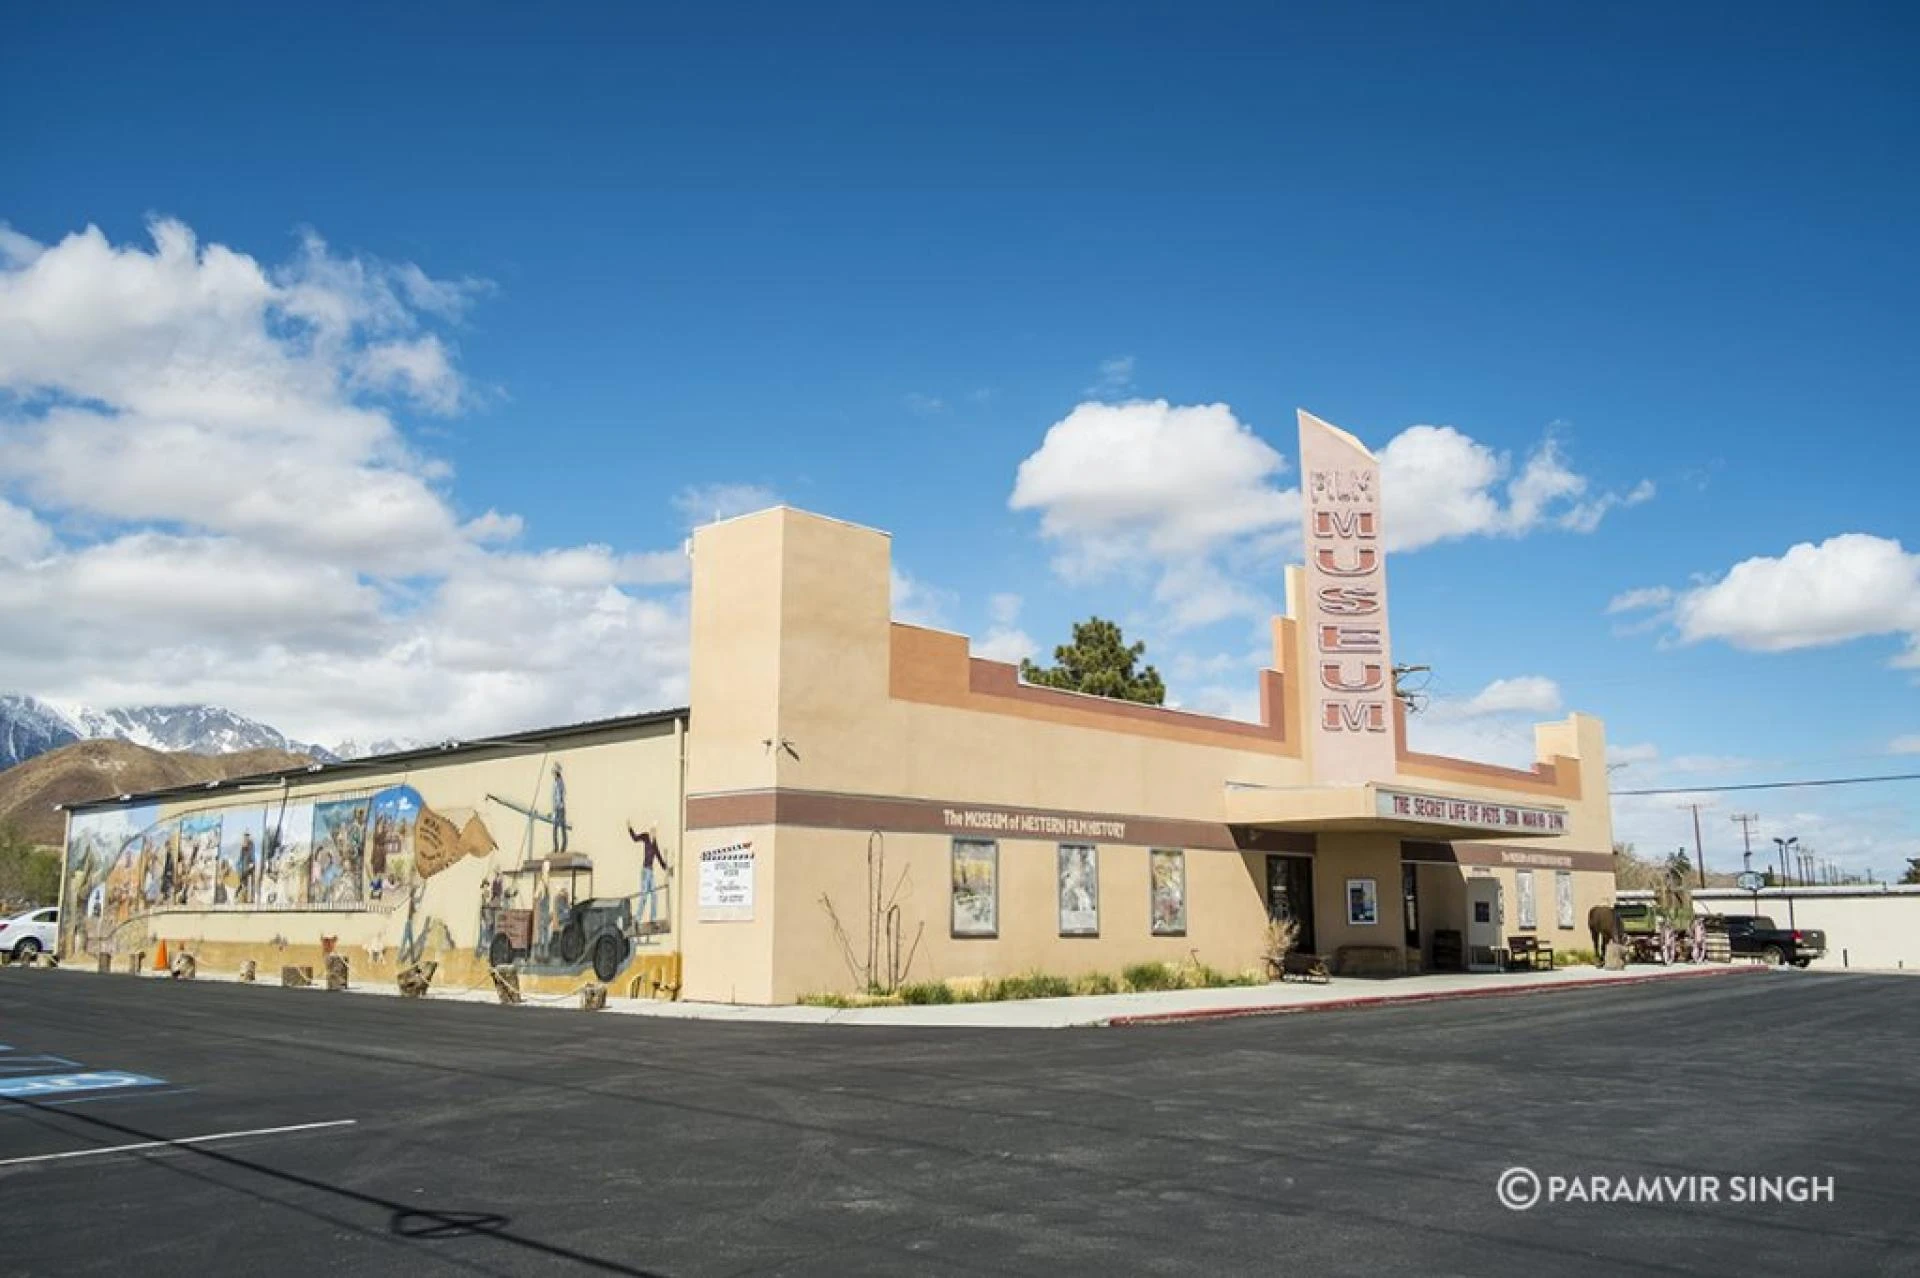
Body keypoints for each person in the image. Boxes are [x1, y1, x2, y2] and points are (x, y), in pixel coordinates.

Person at [627, 822, 670, 928]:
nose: (653, 834)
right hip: (645, 871)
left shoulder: (655, 844)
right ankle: (637, 920)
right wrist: (630, 828)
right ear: (650, 832)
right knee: (644, 896)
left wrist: (666, 867)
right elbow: (635, 838)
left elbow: (659, 857)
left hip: (651, 872)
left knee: (654, 895)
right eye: (652, 831)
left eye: (654, 832)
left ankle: (653, 919)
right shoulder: (645, 837)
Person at [550, 762, 569, 855]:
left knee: (562, 828)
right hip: (556, 808)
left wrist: (559, 804)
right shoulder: (555, 783)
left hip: (560, 808)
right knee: (555, 828)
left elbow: (561, 794)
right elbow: (553, 796)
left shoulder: (560, 782)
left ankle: (563, 847)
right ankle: (556, 847)